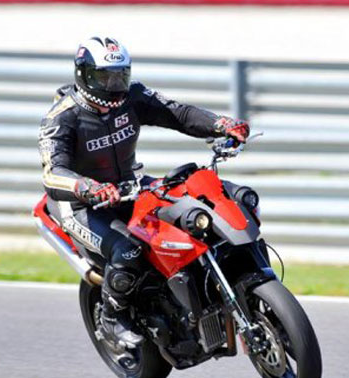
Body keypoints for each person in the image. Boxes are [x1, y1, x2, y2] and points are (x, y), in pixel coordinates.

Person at [38, 36, 250, 347]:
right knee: (129, 250)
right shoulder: (61, 118)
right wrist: (86, 187)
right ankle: (112, 319)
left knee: (196, 212)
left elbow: (178, 113)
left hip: (130, 186)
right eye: (104, 77)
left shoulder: (133, 97)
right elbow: (52, 173)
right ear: (83, 75)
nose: (113, 85)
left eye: (119, 76)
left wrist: (220, 123)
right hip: (81, 205)